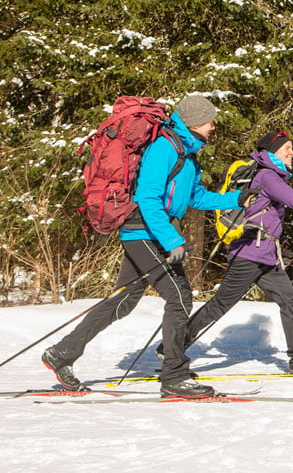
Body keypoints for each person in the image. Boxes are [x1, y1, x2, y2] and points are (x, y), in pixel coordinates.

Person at [42, 95, 252, 397]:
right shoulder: (164, 148)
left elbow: (196, 197)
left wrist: (237, 199)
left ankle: (61, 354)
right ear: (194, 122)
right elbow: (148, 199)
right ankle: (175, 377)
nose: (213, 126)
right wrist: (171, 240)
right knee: (179, 297)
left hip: (151, 231)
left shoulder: (187, 155)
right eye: (209, 120)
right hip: (143, 230)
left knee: (123, 301)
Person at [160, 131, 293, 373]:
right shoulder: (267, 177)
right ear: (273, 152)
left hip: (265, 256)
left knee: (288, 300)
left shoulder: (269, 175)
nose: (292, 152)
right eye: (287, 148)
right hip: (249, 254)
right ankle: (170, 349)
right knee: (220, 304)